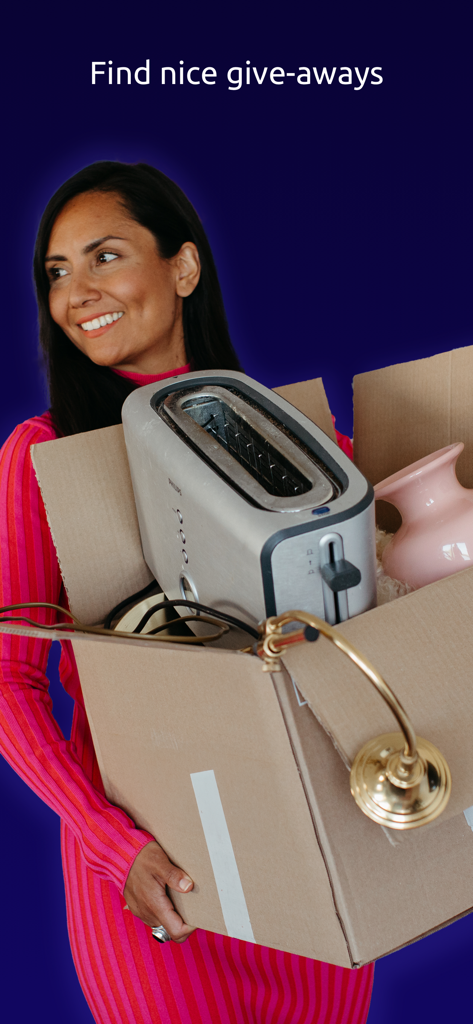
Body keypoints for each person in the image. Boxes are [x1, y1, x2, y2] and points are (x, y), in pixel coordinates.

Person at [0, 161, 372, 1024]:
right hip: (158, 881)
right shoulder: (45, 457)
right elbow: (9, 682)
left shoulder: (314, 457)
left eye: (103, 255)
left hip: (311, 868)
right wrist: (109, 846)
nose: (75, 292)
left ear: (183, 268)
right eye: (56, 273)